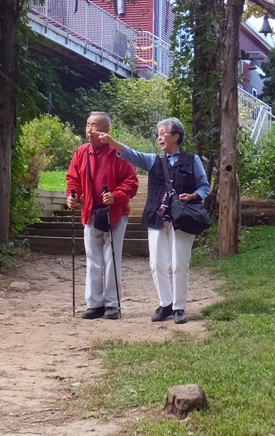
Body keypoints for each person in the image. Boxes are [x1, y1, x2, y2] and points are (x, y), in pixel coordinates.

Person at [95, 117, 210, 325]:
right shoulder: (154, 160)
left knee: (179, 265)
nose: (159, 137)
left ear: (176, 136)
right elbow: (132, 155)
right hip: (157, 218)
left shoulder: (192, 160)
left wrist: (193, 196)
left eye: (163, 132)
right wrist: (111, 141)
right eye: (158, 133)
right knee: (157, 264)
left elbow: (204, 186)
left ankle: (179, 307)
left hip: (182, 219)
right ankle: (165, 304)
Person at [66, 112, 139, 320]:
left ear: (106, 130)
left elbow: (131, 182)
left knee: (111, 259)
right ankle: (94, 304)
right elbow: (73, 180)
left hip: (114, 213)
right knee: (93, 259)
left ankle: (112, 305)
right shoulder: (81, 153)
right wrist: (72, 196)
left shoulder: (118, 153)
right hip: (90, 212)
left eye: (94, 126)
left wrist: (116, 196)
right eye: (88, 125)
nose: (90, 129)